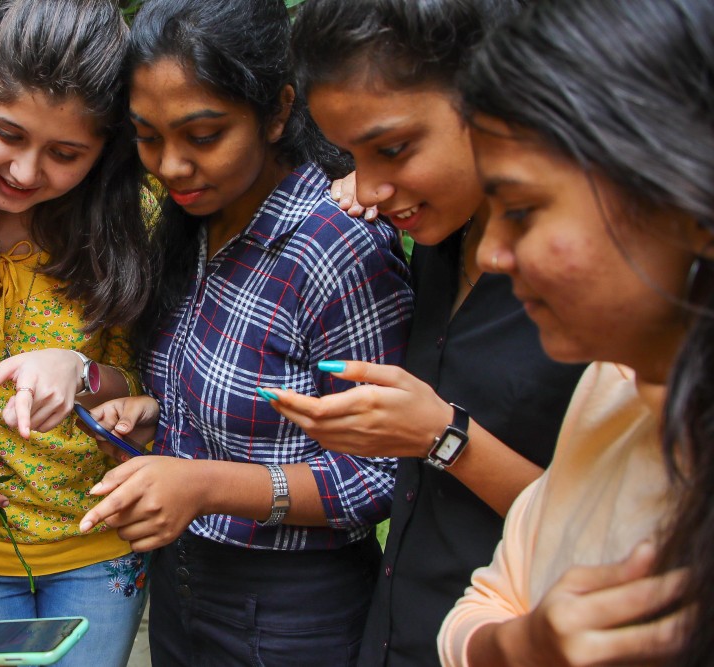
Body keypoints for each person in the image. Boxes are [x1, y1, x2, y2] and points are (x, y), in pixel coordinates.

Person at [77, 1, 414, 664]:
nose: (172, 165)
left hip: (291, 611)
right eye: (148, 136)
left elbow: (382, 471)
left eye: (203, 135)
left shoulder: (335, 246)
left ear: (278, 111)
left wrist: (204, 484)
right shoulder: (194, 224)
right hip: (183, 584)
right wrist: (159, 420)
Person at [258, 2, 590, 663]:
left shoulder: (596, 278)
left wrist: (442, 436)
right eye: (351, 155)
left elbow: (612, 526)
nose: (368, 189)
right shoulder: (439, 235)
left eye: (391, 148)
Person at [437, 0, 712, 664]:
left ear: (689, 202)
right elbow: (481, 606)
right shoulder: (611, 383)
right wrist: (523, 644)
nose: (492, 254)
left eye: (523, 210)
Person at [0, 1, 153, 665]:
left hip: (99, 543)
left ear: (105, 150)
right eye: (7, 133)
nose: (23, 171)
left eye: (65, 153)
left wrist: (82, 370)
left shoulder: (129, 220)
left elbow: (145, 385)